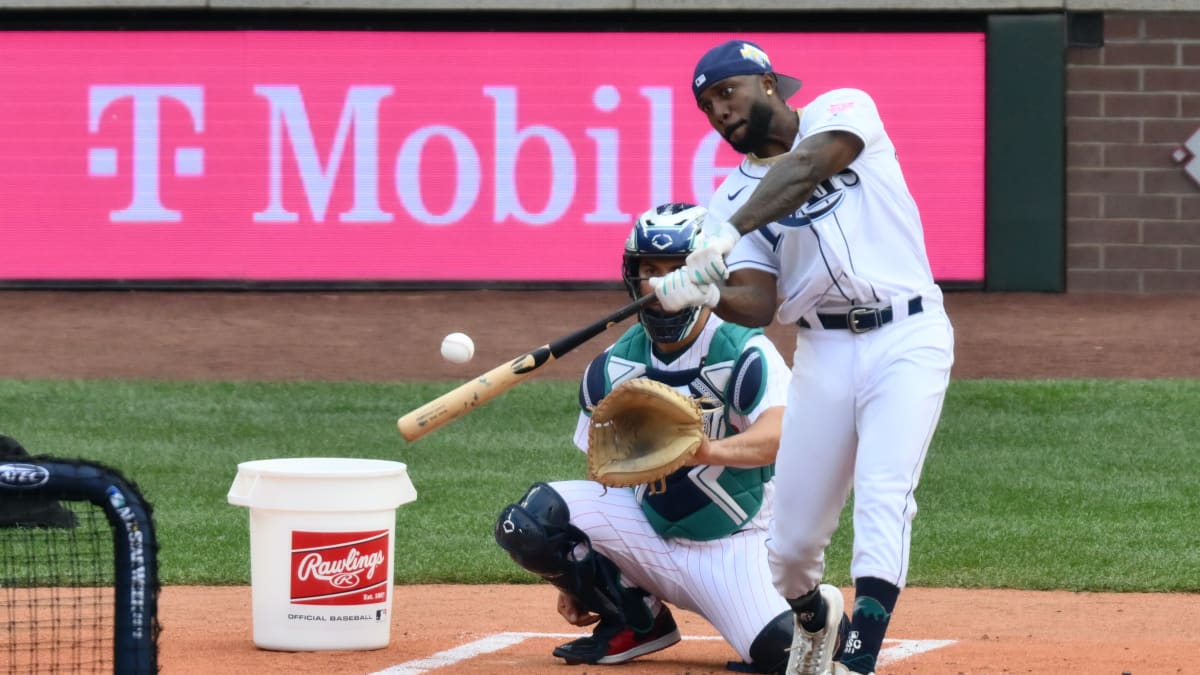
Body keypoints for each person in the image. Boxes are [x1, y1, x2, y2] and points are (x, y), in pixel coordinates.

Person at [651, 40, 955, 675]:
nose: (719, 111)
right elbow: (758, 303)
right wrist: (703, 293)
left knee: (884, 491)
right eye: (706, 106)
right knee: (787, 549)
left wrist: (728, 230)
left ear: (768, 83)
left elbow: (809, 166)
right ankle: (816, 616)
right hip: (823, 350)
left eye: (727, 93)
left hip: (908, 336)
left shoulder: (841, 110)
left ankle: (857, 656)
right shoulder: (728, 198)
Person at [494, 202, 833, 673]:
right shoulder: (612, 366)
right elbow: (602, 476)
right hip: (648, 531)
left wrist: (705, 451)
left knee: (790, 657)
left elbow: (780, 435)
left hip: (732, 542)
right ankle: (635, 620)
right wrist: (577, 581)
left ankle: (807, 615)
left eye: (677, 269)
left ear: (705, 276)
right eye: (650, 270)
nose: (661, 284)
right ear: (632, 278)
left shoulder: (742, 349)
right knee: (530, 520)